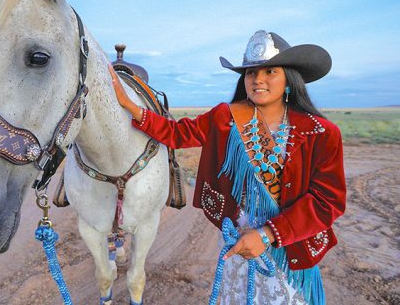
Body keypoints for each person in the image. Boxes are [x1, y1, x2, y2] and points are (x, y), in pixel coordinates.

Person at [108, 30, 346, 304]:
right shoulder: (226, 116)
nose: (258, 80)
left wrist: (266, 235)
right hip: (239, 243)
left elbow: (328, 201)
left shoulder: (321, 133)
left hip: (288, 248)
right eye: (250, 73)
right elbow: (177, 133)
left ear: (290, 79)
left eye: (270, 71)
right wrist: (129, 105)